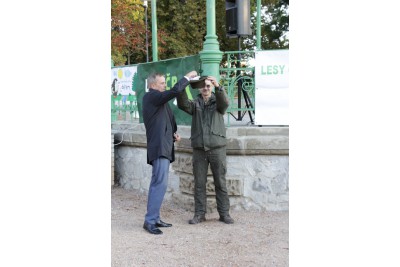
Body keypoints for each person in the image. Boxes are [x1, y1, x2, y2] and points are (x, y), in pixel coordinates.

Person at [142, 71, 198, 235]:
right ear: (153, 85)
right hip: (159, 149)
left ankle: (155, 218)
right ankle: (150, 221)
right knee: (159, 184)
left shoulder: (159, 102)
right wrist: (187, 78)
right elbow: (174, 91)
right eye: (161, 83)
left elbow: (165, 122)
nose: (164, 86)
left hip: (163, 146)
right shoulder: (150, 97)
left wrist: (173, 134)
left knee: (159, 184)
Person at [177, 76, 234, 224]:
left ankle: (224, 214)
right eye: (203, 86)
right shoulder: (195, 103)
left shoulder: (218, 102)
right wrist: (184, 83)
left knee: (220, 183)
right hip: (199, 149)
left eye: (208, 86)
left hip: (217, 148)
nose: (206, 88)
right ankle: (199, 214)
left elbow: (225, 103)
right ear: (199, 88)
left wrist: (218, 86)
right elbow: (183, 104)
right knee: (199, 183)